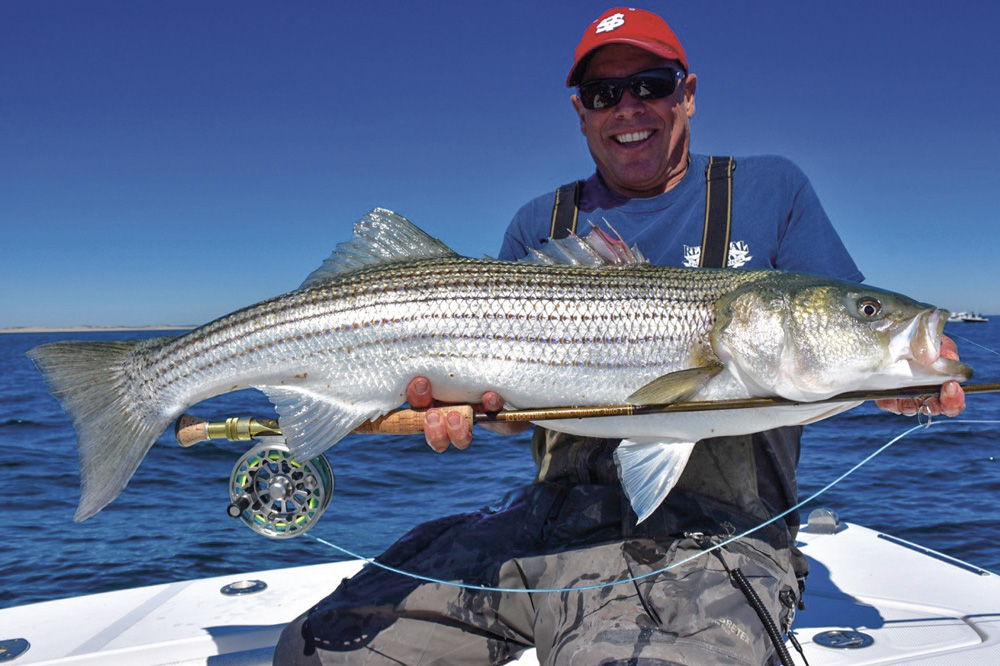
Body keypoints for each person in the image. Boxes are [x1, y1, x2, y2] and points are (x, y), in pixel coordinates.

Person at [275, 7, 965, 665]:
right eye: (604, 93)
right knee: (319, 649)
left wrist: (897, 378)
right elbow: (509, 410)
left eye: (651, 85)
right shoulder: (540, 223)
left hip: (716, 538)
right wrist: (463, 410)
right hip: (546, 523)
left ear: (687, 95)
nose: (628, 107)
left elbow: (842, 347)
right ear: (581, 112)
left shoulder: (770, 190)